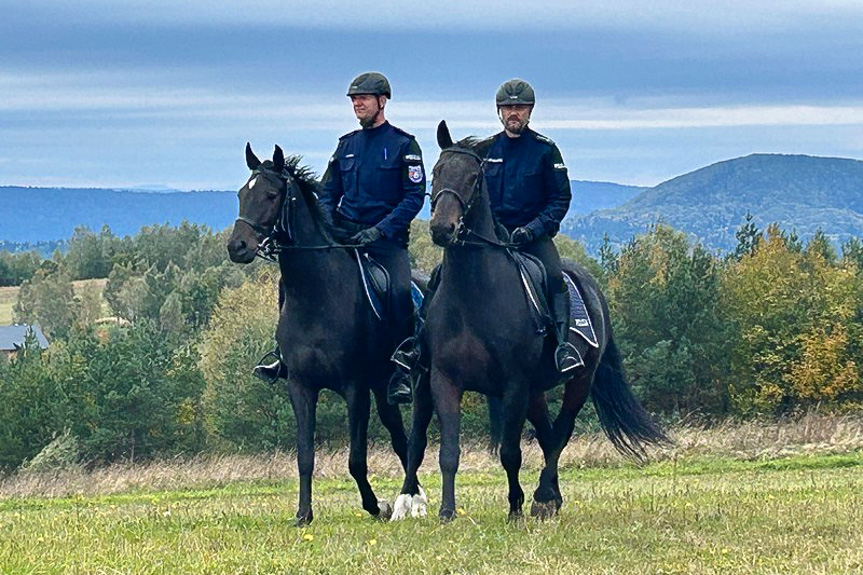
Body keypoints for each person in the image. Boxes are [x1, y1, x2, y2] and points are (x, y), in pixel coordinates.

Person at [256, 71, 425, 405]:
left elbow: (413, 197)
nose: (358, 104)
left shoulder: (405, 144)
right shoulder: (345, 145)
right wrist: (327, 224)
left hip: (385, 241)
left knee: (400, 289)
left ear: (382, 101)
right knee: (292, 282)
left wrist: (381, 229)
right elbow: (329, 191)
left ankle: (402, 368)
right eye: (353, 100)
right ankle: (284, 355)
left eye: (363, 98)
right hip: (344, 236)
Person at [393, 78, 579, 375]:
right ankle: (419, 344)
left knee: (554, 275)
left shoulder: (545, 150)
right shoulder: (483, 151)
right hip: (489, 237)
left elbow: (560, 199)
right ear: (499, 112)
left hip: (531, 237)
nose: (513, 113)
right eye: (507, 108)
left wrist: (534, 228)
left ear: (529, 111)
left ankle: (562, 347)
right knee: (441, 274)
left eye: (519, 107)